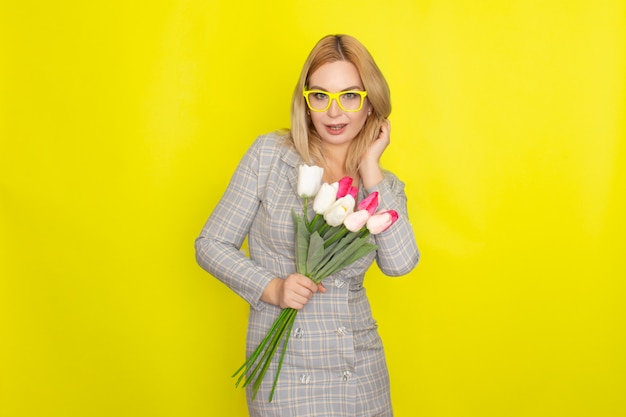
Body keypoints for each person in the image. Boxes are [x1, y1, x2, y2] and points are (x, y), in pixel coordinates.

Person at [195, 34, 419, 417]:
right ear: (306, 102)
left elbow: (399, 264)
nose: (334, 112)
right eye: (321, 96)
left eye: (350, 96)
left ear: (371, 106)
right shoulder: (269, 156)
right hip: (285, 365)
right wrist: (272, 287)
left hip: (358, 367)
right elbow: (210, 243)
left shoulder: (383, 184)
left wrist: (370, 168)